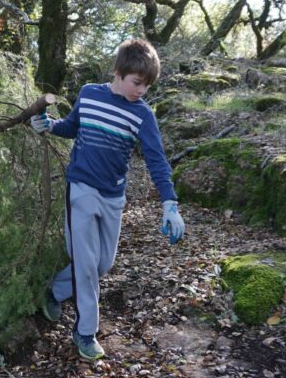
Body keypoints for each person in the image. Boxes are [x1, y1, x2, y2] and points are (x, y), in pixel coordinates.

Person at [30, 38, 184, 361]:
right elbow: (72, 127)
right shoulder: (89, 94)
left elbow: (157, 160)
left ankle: (55, 290)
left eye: (147, 85)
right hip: (81, 188)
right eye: (137, 82)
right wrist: (48, 125)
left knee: (102, 265)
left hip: (113, 197)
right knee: (86, 265)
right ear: (118, 72)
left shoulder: (143, 116)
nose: (141, 91)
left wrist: (170, 204)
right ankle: (85, 331)